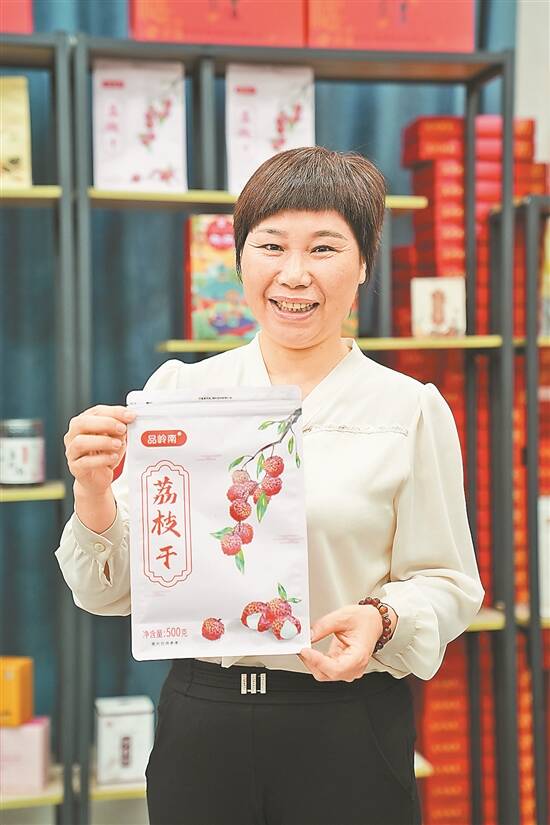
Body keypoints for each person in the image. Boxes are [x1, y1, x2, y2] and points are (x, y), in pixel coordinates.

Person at [56, 146, 485, 825]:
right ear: (240, 260)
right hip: (203, 721)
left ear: (364, 263)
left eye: (324, 247)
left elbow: (449, 582)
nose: (294, 274)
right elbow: (109, 593)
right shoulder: (179, 394)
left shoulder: (408, 408)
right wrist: (92, 492)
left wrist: (382, 619)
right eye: (271, 245)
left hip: (347, 725)